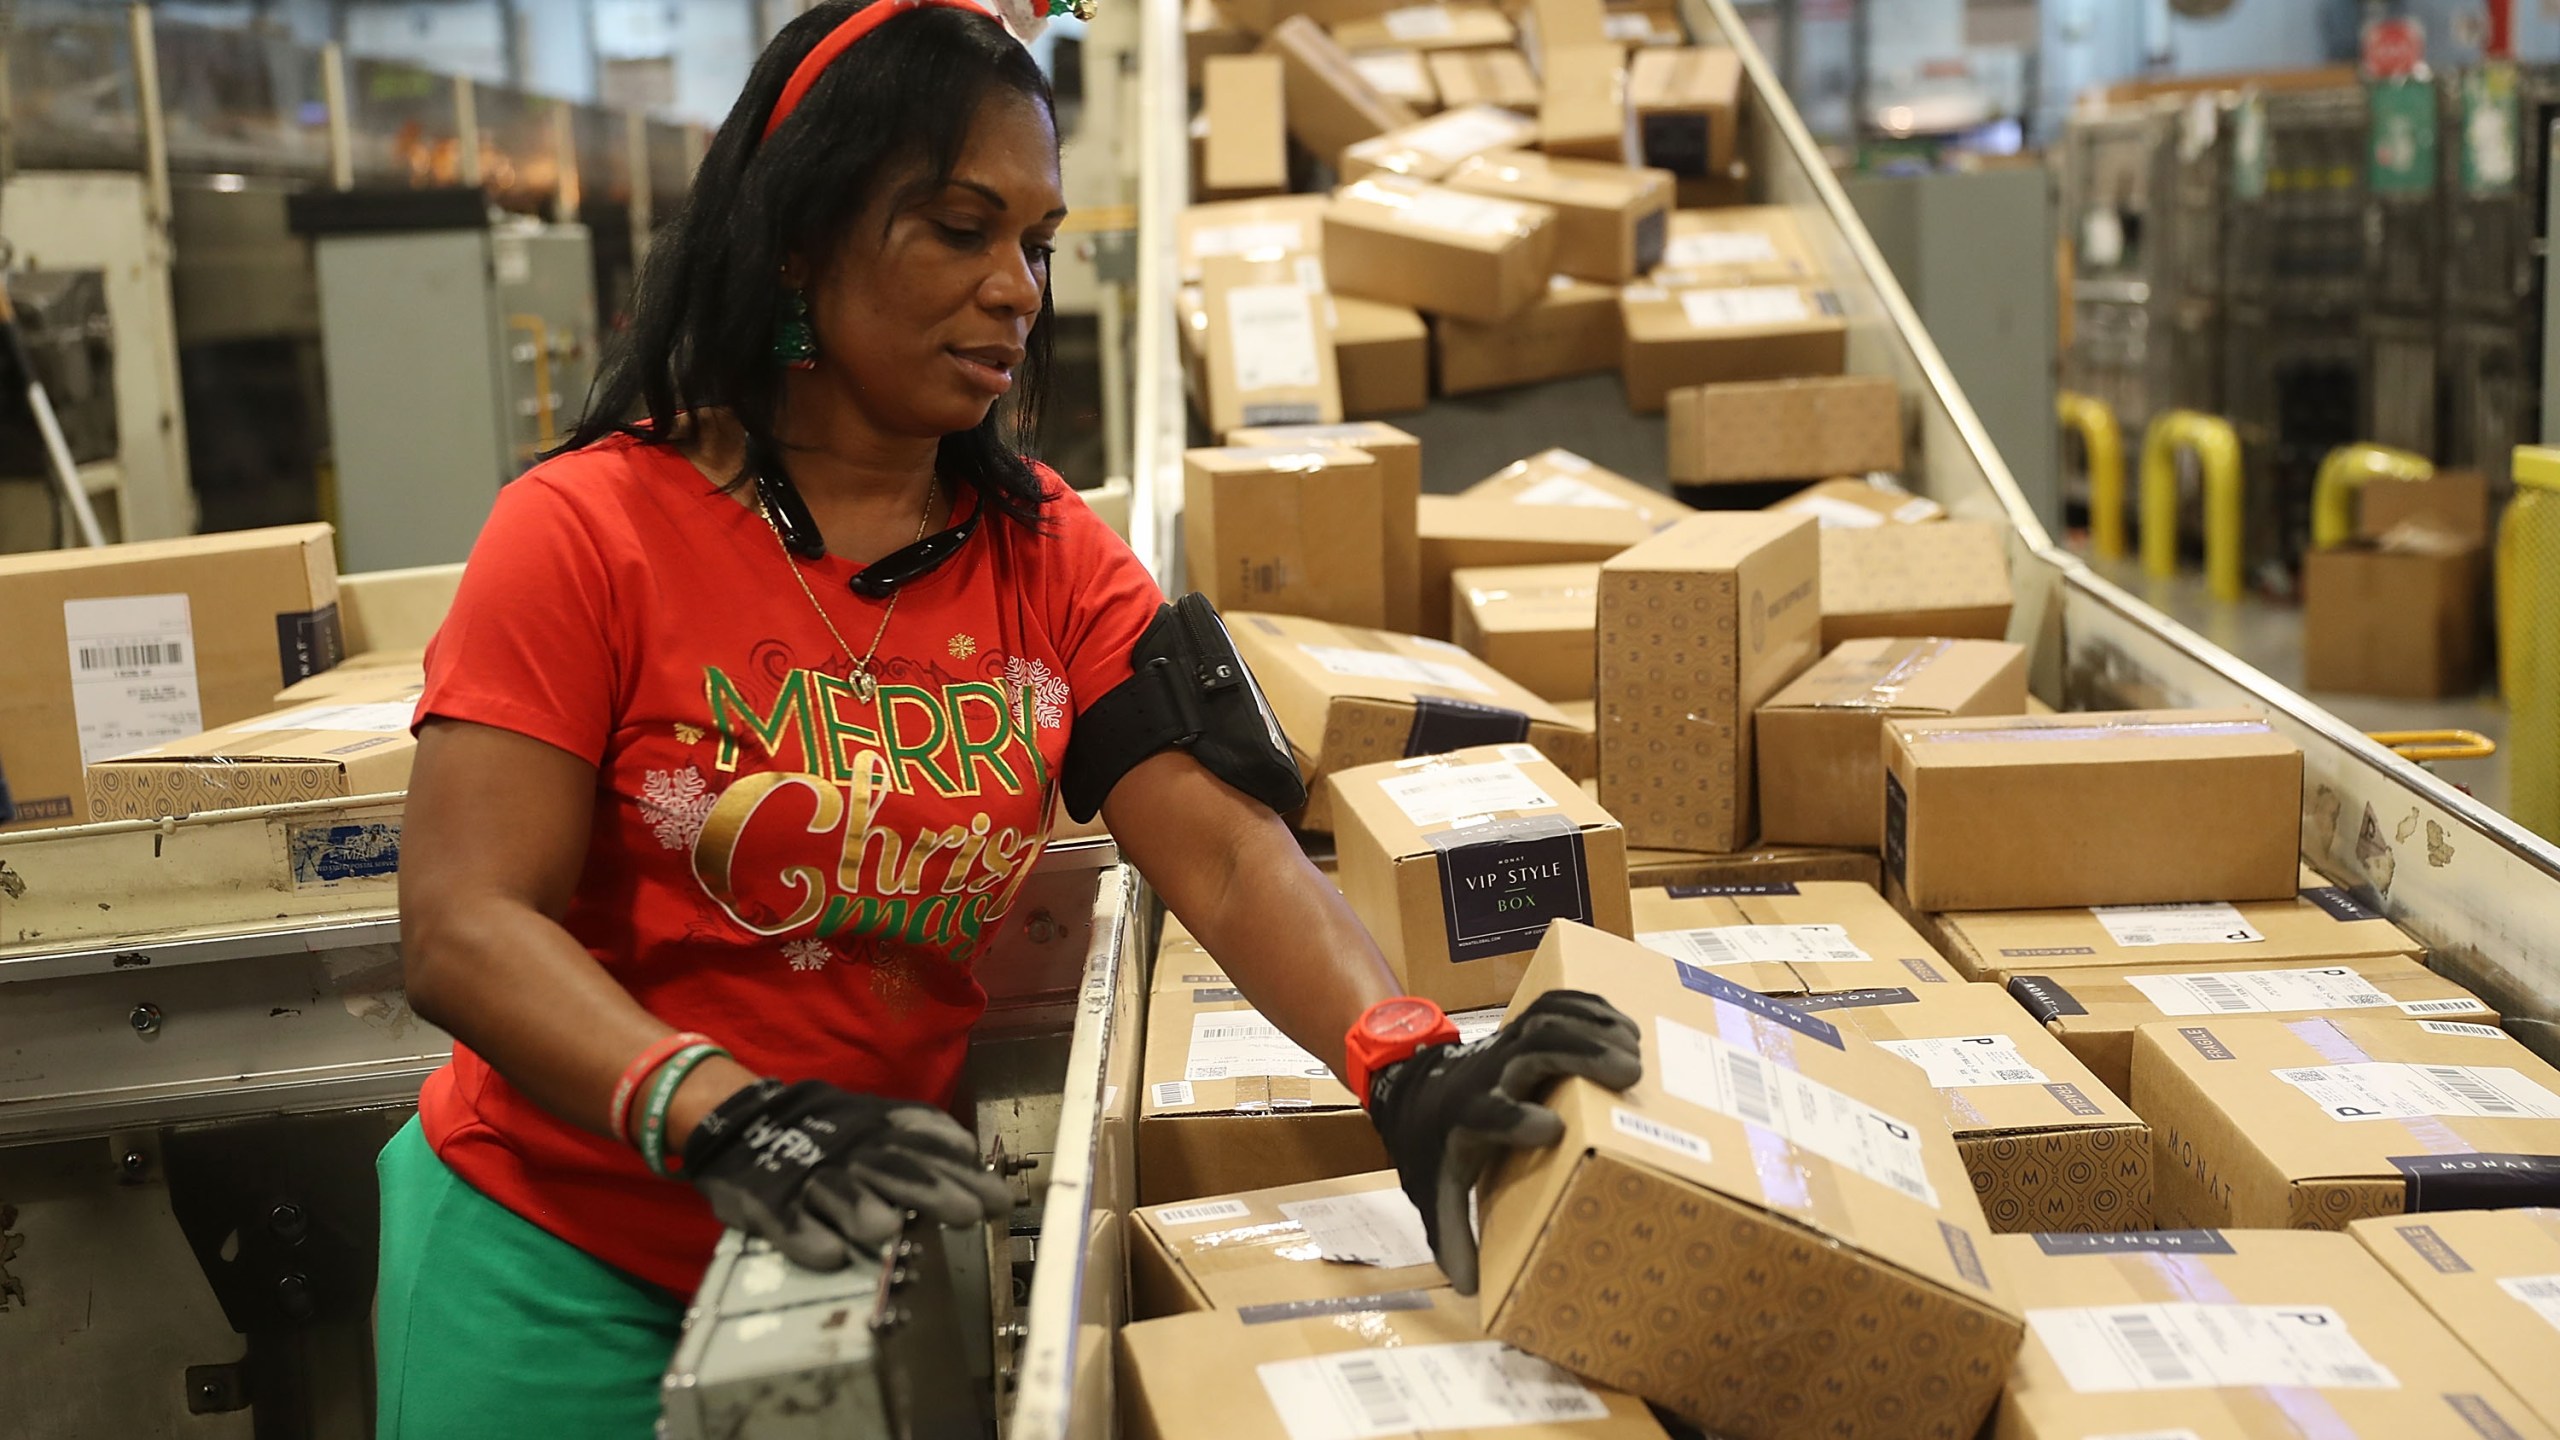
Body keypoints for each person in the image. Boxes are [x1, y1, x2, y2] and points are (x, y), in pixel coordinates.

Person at [379, 2, 1640, 1434]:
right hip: (553, 1255)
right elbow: (465, 924)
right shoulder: (587, 531)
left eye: (1034, 243)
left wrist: (1403, 1063)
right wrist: (722, 1109)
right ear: (797, 241)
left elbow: (1222, 855)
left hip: (846, 1255)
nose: (1016, 290)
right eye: (959, 229)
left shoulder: (1039, 551)